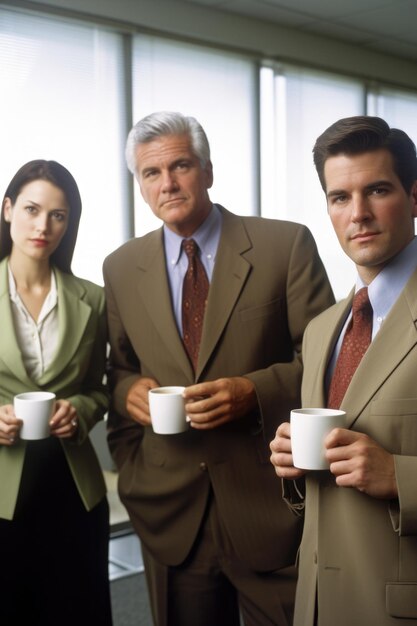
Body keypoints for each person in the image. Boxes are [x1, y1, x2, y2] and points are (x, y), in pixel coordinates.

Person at [103, 110, 334, 626]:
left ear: (207, 170)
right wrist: (127, 394)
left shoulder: (284, 246)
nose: (168, 183)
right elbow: (118, 369)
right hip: (169, 508)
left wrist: (254, 392)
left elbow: (329, 363)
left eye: (181, 165)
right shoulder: (119, 267)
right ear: (139, 185)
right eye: (151, 173)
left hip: (270, 506)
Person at [270, 115, 417, 626]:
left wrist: (401, 476)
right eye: (340, 197)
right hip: (317, 602)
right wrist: (294, 464)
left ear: (415, 196)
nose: (359, 214)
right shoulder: (322, 329)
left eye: (377, 190)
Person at [0, 160, 113, 626]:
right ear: (7, 210)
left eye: (58, 215)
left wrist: (81, 410)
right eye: (31, 209)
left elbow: (102, 388)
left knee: (77, 609)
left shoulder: (94, 298)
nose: (43, 225)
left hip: (74, 486)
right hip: (3, 489)